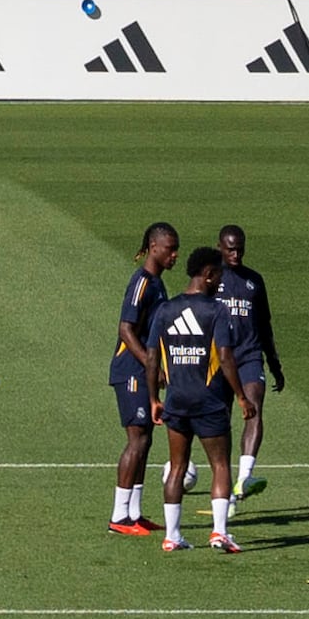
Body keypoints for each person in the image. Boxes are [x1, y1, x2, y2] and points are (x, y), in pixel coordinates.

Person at [144, 243, 245, 554]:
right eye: (219, 277)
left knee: (177, 467)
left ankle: (172, 536)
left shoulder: (165, 310)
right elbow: (226, 357)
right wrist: (241, 396)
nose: (220, 283)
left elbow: (151, 358)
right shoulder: (215, 310)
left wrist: (152, 399)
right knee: (220, 465)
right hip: (209, 401)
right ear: (208, 274)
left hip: (175, 401)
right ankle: (219, 533)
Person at [105, 223, 184, 538]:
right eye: (170, 248)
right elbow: (125, 329)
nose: (175, 254)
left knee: (146, 440)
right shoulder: (142, 283)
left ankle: (134, 513)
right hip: (130, 372)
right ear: (154, 247)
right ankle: (118, 516)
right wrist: (151, 363)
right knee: (136, 440)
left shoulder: (157, 284)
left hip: (143, 373)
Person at [208, 224, 281, 500]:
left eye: (240, 248)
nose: (236, 254)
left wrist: (274, 364)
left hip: (250, 357)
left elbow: (265, 325)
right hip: (218, 360)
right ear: (219, 248)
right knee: (220, 420)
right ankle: (223, 479)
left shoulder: (254, 281)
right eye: (230, 249)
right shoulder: (211, 278)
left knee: (254, 408)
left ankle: (244, 479)